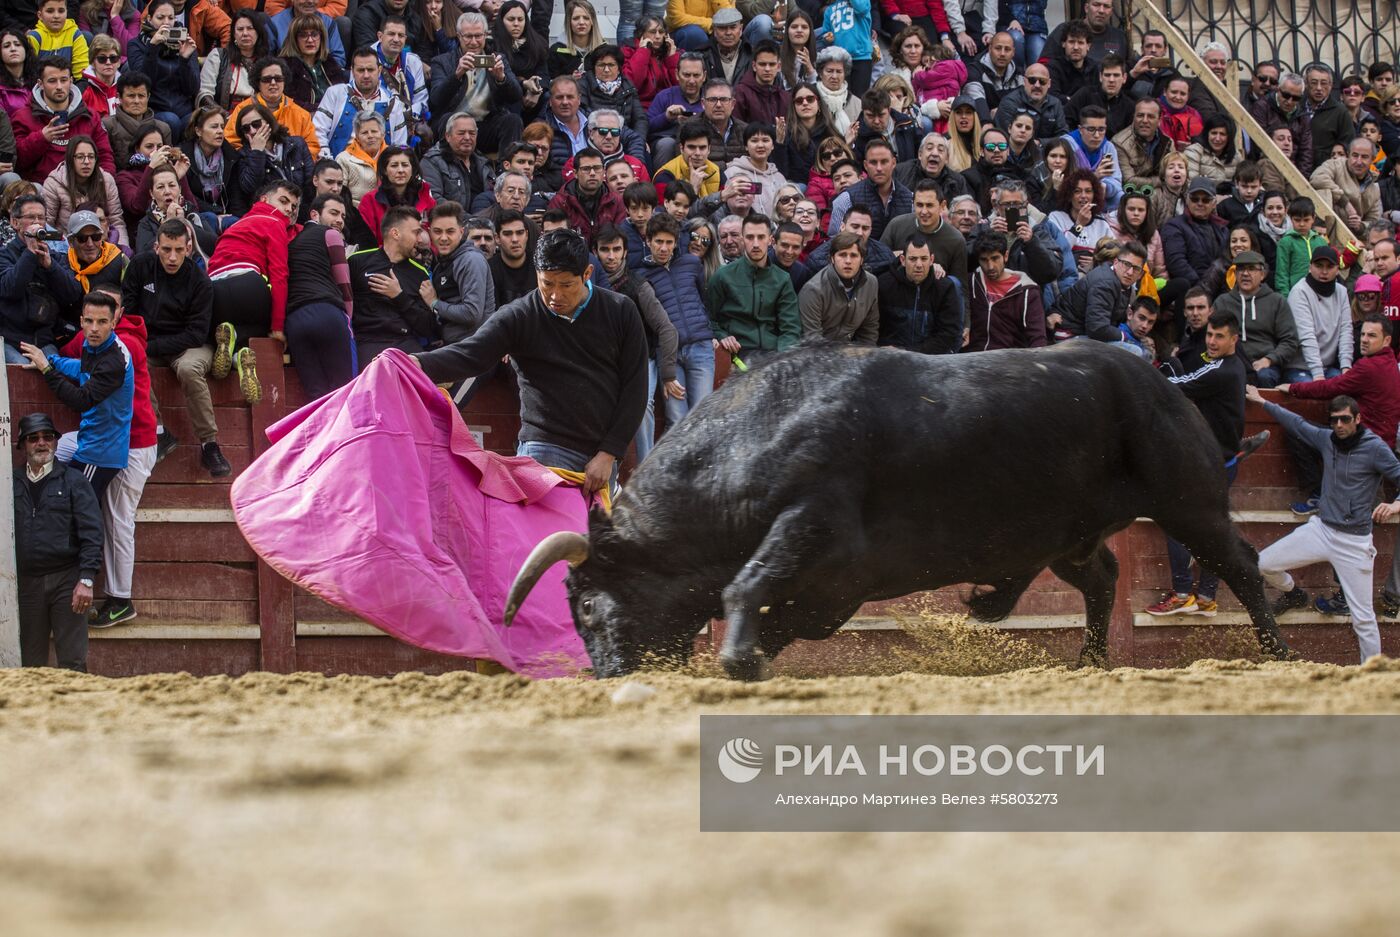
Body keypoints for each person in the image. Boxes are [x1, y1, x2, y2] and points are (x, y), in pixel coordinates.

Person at [412, 227, 647, 495]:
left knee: (592, 536)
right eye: (547, 283)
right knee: (552, 536)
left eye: (566, 285)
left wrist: (609, 453)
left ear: (587, 274)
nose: (556, 296)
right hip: (544, 448)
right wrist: (417, 363)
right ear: (537, 274)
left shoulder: (621, 311)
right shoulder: (520, 315)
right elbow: (471, 353)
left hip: (601, 453)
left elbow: (635, 387)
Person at [1250, 386, 1400, 663]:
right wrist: (1262, 402)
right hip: (1321, 530)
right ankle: (1294, 593)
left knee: (1363, 618)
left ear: (1357, 419)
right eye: (1334, 420)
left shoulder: (1375, 448)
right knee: (1263, 563)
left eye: (1345, 419)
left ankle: (1371, 675)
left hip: (1355, 542)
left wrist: (1394, 504)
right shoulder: (1327, 439)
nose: (1339, 425)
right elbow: (1296, 422)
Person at [1147, 310, 1251, 618]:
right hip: (1224, 459)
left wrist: (1148, 373)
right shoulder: (1233, 367)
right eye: (1209, 335)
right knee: (1212, 527)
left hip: (1208, 462)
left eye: (1220, 336)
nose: (1213, 341)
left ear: (1234, 338)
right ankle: (1205, 596)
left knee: (1174, 522)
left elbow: (1176, 383)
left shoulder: (1221, 371)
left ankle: (1182, 593)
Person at [124, 217, 229, 476]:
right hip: (149, 342)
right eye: (167, 249)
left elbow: (196, 334)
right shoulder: (139, 266)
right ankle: (160, 431)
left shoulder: (199, 281)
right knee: (128, 359)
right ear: (156, 247)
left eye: (179, 250)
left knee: (189, 369)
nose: (172, 257)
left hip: (189, 345)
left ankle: (209, 444)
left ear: (188, 248)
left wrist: (151, 346)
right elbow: (128, 312)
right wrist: (144, 346)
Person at [18, 290, 133, 503]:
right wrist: (52, 361)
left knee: (77, 512)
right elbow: (83, 367)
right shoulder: (96, 345)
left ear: (113, 323)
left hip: (100, 453)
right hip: (91, 442)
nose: (94, 328)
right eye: (89, 321)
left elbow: (80, 400)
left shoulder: (114, 361)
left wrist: (46, 370)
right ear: (81, 321)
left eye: (102, 322)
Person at [12, 412, 103, 671]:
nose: (41, 443)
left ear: (55, 442)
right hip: (26, 584)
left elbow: (92, 531)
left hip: (67, 580)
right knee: (30, 664)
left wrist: (86, 579)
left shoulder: (74, 480)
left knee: (73, 661)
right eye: (33, 438)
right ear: (23, 445)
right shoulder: (10, 482)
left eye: (47, 437)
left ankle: (77, 711)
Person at [206, 178, 302, 403]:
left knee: (224, 327)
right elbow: (279, 273)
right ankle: (239, 342)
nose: (288, 209)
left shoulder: (236, 225)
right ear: (264, 200)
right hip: (248, 282)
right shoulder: (274, 222)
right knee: (263, 326)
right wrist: (278, 327)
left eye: (294, 206)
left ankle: (237, 355)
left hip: (214, 288)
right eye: (283, 201)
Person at [593, 222, 677, 462]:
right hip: (605, 361)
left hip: (642, 359)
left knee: (642, 408)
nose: (611, 256)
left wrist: (668, 374)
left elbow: (666, 328)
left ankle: (645, 468)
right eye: (605, 249)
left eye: (616, 249)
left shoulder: (638, 286)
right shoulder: (587, 285)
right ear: (596, 251)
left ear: (625, 252)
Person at [285, 192, 355, 398]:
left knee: (316, 395)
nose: (339, 220)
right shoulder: (330, 235)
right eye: (334, 213)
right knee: (343, 392)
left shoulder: (291, 242)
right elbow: (344, 282)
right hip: (328, 314)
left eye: (343, 216)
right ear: (314, 214)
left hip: (295, 321)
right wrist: (348, 319)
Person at [349, 203, 434, 366]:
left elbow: (428, 327)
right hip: (368, 341)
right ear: (395, 233)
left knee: (426, 374)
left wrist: (399, 296)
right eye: (416, 232)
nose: (419, 239)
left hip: (404, 342)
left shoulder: (420, 272)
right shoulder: (357, 261)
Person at [426, 12, 524, 153]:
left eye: (478, 36)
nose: (473, 42)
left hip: (485, 124)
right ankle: (450, 170)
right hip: (454, 124)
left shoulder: (497, 58)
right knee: (446, 120)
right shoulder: (442, 61)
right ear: (459, 36)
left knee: (512, 120)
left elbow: (516, 96)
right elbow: (436, 99)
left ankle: (506, 170)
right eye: (468, 36)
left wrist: (501, 78)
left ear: (485, 35)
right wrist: (457, 75)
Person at [707, 212, 799, 362]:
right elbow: (708, 319)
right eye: (750, 237)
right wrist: (722, 336)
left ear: (770, 240)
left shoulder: (782, 279)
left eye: (761, 237)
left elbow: (790, 328)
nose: (755, 244)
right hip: (736, 354)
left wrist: (783, 358)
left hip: (772, 355)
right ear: (743, 239)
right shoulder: (723, 276)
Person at [0, 194, 81, 363]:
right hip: (11, 341)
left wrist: (51, 267)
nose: (37, 223)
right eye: (30, 217)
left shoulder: (55, 257)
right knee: (22, 373)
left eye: (41, 218)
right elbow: (10, 289)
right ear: (15, 223)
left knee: (53, 375)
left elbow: (73, 295)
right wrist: (30, 253)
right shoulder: (4, 255)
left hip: (45, 341)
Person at [13, 55, 115, 183]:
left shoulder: (89, 116)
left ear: (71, 81)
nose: (59, 86)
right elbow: (17, 162)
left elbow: (105, 156)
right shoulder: (23, 117)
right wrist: (41, 138)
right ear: (40, 84)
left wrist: (102, 182)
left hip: (84, 190)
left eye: (64, 80)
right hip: (40, 191)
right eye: (52, 81)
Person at [1213, 249, 1304, 388]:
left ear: (1262, 274)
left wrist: (1269, 360)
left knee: (1264, 376)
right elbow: (1210, 334)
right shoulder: (1223, 302)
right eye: (1241, 269)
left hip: (1265, 364)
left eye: (1251, 269)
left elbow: (1290, 340)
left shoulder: (1276, 301)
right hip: (1229, 360)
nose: (1245, 274)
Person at [1049, 238, 1146, 348]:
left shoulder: (1124, 285)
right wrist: (1126, 337)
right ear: (1116, 262)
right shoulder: (1105, 282)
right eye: (1126, 264)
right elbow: (1097, 328)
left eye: (1136, 269)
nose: (1130, 272)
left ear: (1141, 274)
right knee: (1134, 351)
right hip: (1069, 335)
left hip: (1086, 333)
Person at [124, 1, 201, 136]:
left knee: (199, 122)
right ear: (149, 19)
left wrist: (184, 60)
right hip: (155, 109)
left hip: (183, 109)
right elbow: (142, 84)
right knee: (171, 121)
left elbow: (192, 88)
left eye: (171, 18)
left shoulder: (185, 43)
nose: (166, 22)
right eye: (160, 17)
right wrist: (153, 49)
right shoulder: (136, 44)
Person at [314, 46, 408, 157]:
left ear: (379, 70)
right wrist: (328, 162)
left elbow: (400, 146)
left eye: (370, 70)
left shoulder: (393, 103)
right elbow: (317, 131)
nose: (366, 75)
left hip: (379, 170)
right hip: (339, 167)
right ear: (352, 71)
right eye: (361, 70)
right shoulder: (335, 94)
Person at [876, 232, 960, 353]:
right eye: (913, 259)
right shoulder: (884, 284)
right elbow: (876, 327)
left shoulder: (944, 288)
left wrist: (909, 352)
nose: (919, 265)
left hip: (930, 358)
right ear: (903, 260)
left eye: (924, 259)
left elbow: (947, 334)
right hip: (890, 357)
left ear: (931, 260)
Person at [41, 134, 126, 248]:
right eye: (80, 157)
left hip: (103, 245)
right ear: (71, 159)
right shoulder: (53, 184)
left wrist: (124, 251)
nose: (86, 162)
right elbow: (47, 225)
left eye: (91, 157)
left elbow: (116, 221)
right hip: (67, 247)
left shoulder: (106, 180)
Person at [965, 230, 1046, 350]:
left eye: (995, 258)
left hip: (1010, 361)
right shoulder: (971, 282)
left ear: (1006, 256)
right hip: (972, 358)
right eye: (984, 260)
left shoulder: (1027, 292)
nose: (990, 266)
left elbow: (1038, 338)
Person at [1287, 246, 1353, 382]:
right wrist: (1318, 375)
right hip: (1299, 367)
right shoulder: (1299, 292)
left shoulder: (1341, 292)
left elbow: (1346, 331)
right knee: (1312, 393)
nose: (1324, 271)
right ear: (1310, 267)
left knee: (1348, 388)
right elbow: (1306, 335)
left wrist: (1346, 366)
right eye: (1319, 266)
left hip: (1329, 367)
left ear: (1337, 270)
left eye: (1330, 266)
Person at [798, 231, 877, 343]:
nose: (848, 261)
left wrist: (864, 356)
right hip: (821, 354)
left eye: (854, 256)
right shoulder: (813, 290)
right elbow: (812, 340)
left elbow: (869, 331)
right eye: (842, 255)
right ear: (832, 259)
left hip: (853, 352)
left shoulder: (871, 283)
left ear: (862, 260)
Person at [827, 138, 911, 239]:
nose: (879, 168)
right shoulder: (846, 199)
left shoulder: (910, 199)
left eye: (884, 162)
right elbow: (834, 240)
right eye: (873, 162)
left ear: (893, 163)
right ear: (865, 165)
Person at [359, 144, 434, 245]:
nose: (400, 170)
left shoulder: (426, 199)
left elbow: (434, 235)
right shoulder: (369, 201)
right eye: (394, 165)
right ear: (385, 170)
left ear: (413, 169)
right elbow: (367, 242)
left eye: (405, 165)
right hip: (383, 258)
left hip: (420, 257)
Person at [547, 146, 624, 245]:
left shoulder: (616, 200)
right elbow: (553, 240)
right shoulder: (561, 202)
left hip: (608, 255)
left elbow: (621, 238)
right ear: (575, 173)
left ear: (604, 171)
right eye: (586, 169)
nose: (592, 173)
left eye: (597, 168)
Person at [197, 9, 265, 114]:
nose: (245, 33)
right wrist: (223, 115)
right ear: (233, 34)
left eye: (250, 28)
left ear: (258, 32)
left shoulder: (266, 62)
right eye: (240, 29)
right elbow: (204, 95)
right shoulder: (218, 56)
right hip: (221, 117)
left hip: (256, 118)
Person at [1310, 137, 1383, 233]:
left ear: (1372, 159)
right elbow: (1317, 178)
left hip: (1351, 239)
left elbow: (1374, 221)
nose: (1358, 161)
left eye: (1364, 157)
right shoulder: (1335, 165)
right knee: (1323, 190)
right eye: (1355, 155)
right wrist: (1345, 202)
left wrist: (1360, 226)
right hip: (1323, 231)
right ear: (1348, 154)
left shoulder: (1374, 189)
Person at [1273, 196, 1329, 296]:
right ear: (1290, 219)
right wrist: (1285, 298)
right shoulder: (1285, 242)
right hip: (1296, 294)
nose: (1302, 224)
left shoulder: (1321, 242)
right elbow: (1282, 274)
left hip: (1320, 293)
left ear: (1313, 218)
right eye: (1297, 220)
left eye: (1306, 220)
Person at [64, 207, 126, 294]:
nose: (90, 244)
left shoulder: (120, 260)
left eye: (95, 237)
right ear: (71, 241)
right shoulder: (63, 265)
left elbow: (131, 297)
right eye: (82, 238)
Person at [27, 0, 90, 80]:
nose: (56, 16)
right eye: (50, 11)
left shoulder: (75, 34)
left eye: (61, 11)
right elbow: (30, 73)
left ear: (67, 12)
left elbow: (81, 73)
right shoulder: (34, 37)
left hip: (70, 88)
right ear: (40, 15)